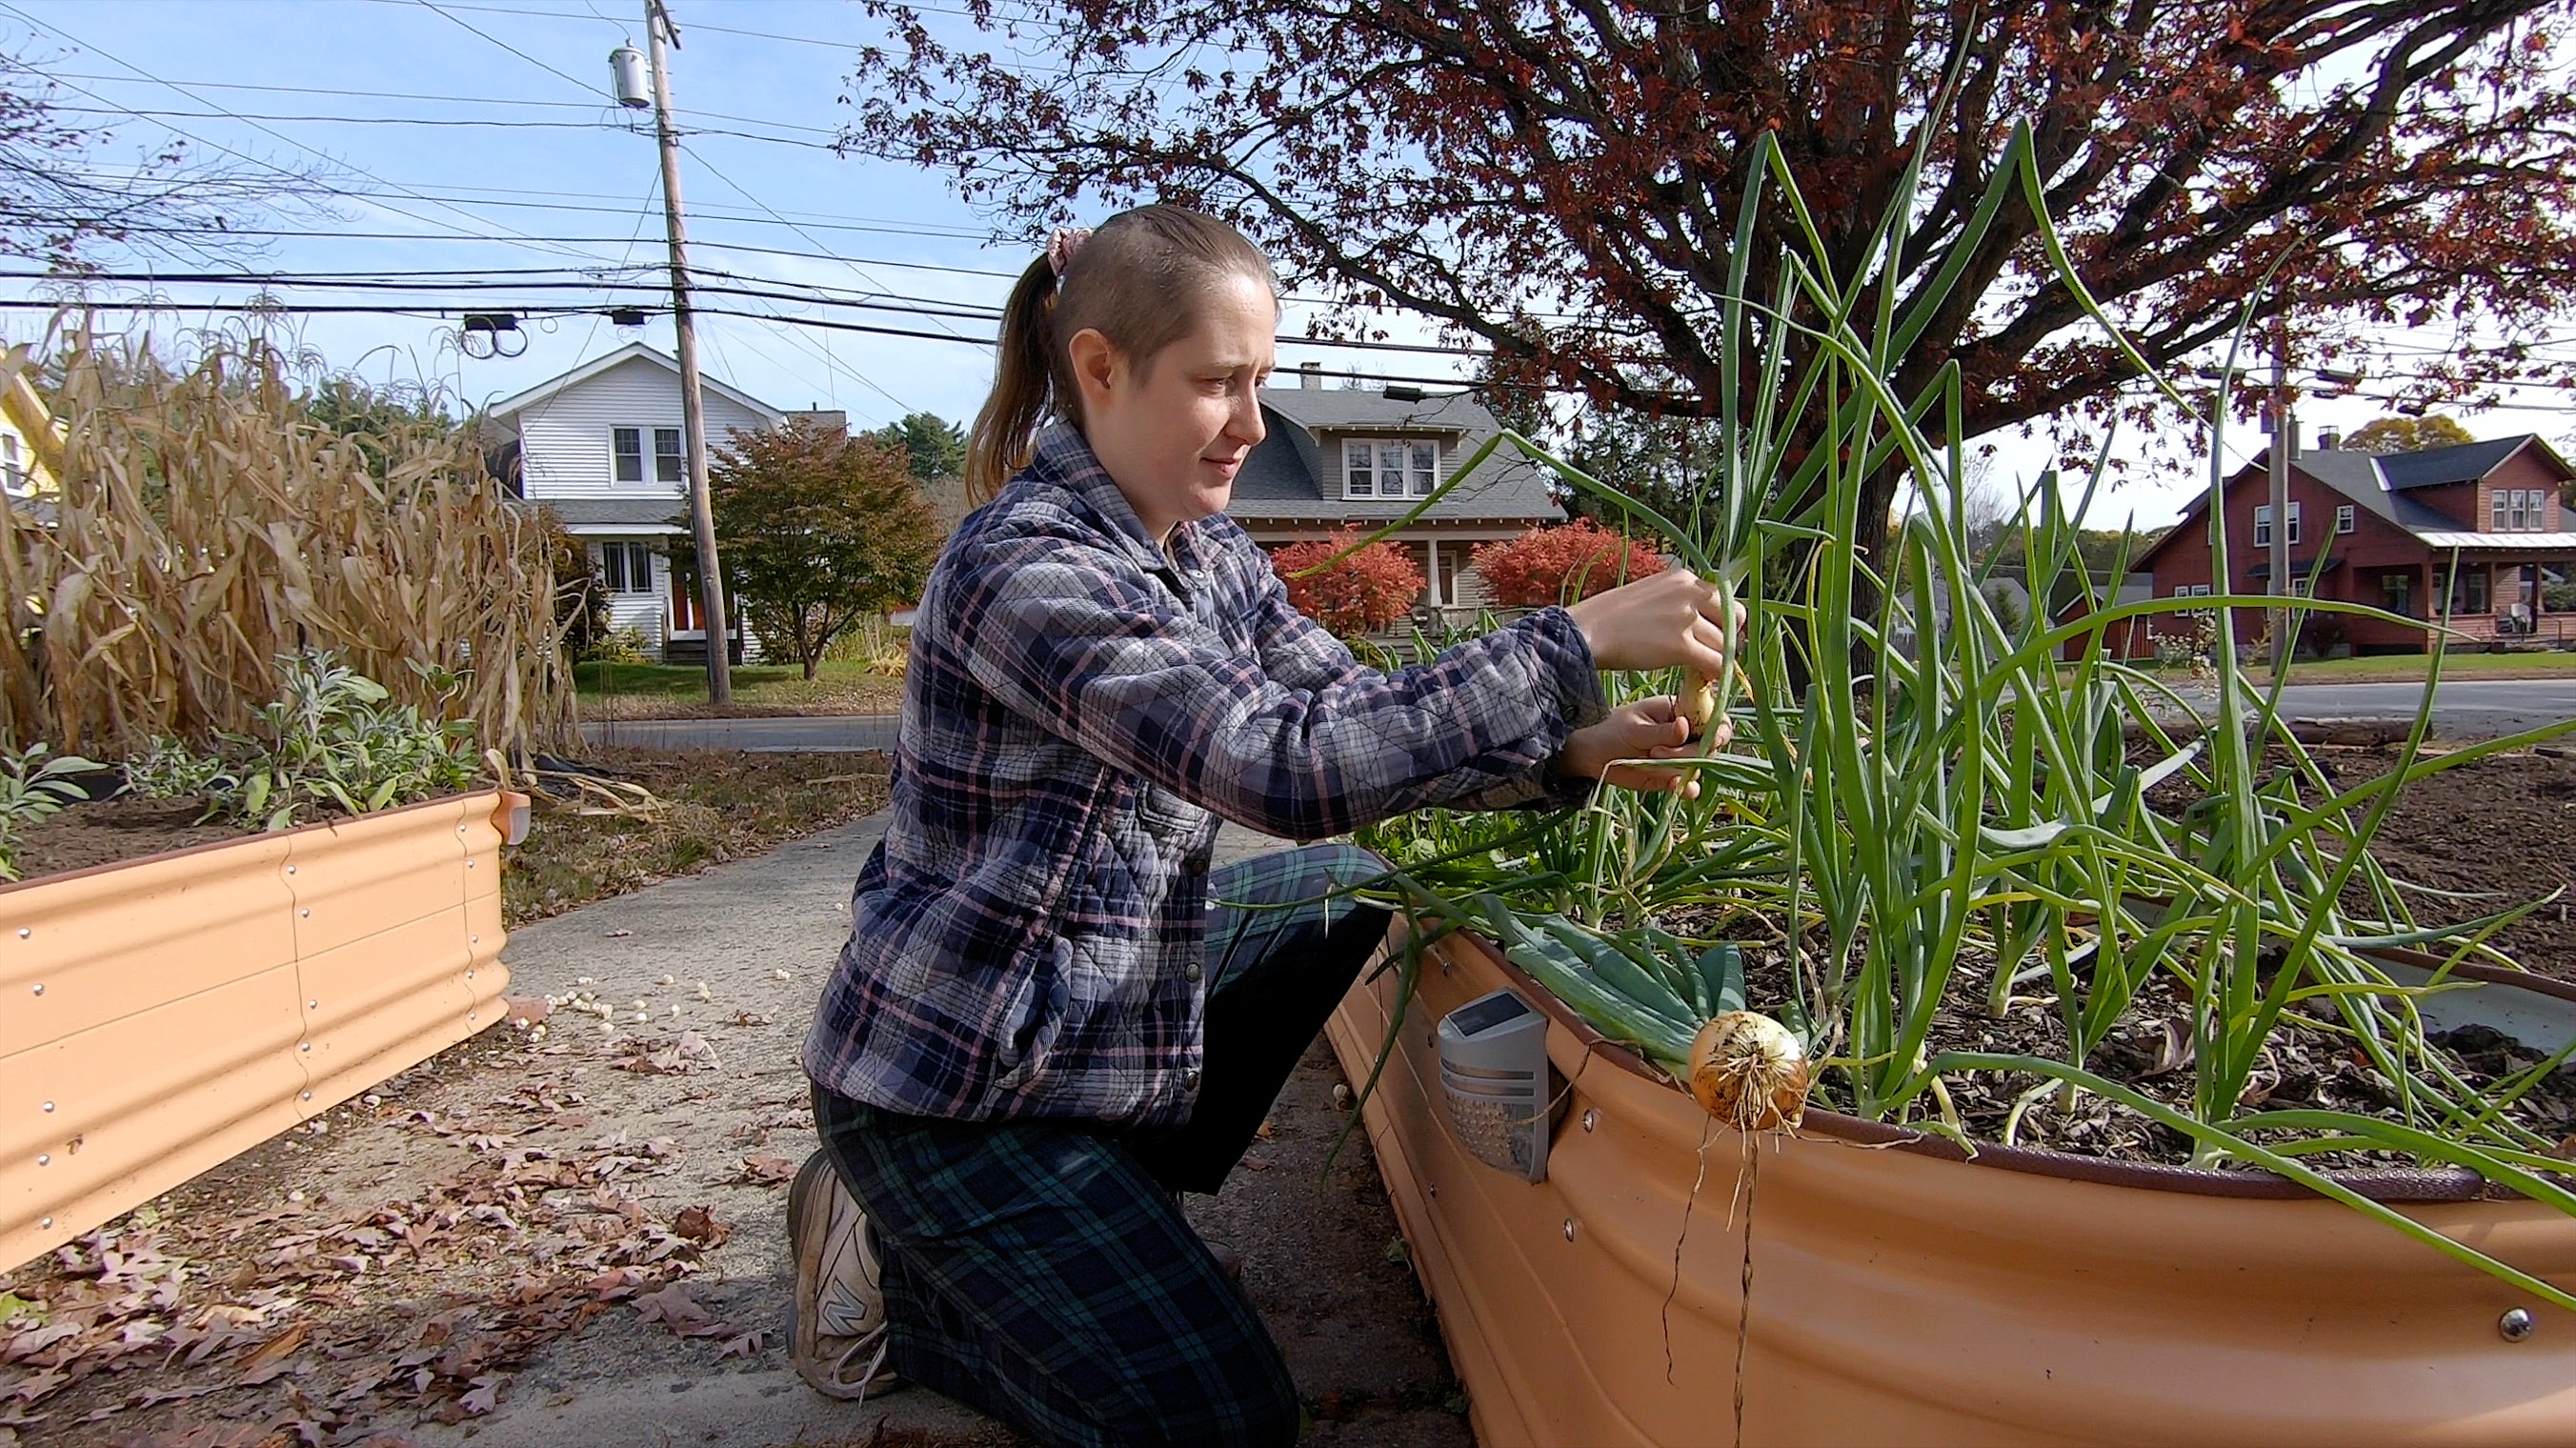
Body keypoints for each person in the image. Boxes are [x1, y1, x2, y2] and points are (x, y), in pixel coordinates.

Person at [789, 205, 1736, 1447]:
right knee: (1221, 1421)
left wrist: (1564, 749)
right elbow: (1283, 770)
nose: (1251, 426)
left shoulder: (1211, 555)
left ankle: (1077, 1227)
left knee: (1347, 884)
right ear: (1098, 370)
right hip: (958, 1090)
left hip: (1082, 1031)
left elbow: (1347, 712)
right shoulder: (1024, 570)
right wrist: (1572, 639)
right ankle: (918, 1280)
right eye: (1219, 385)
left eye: (1263, 384)